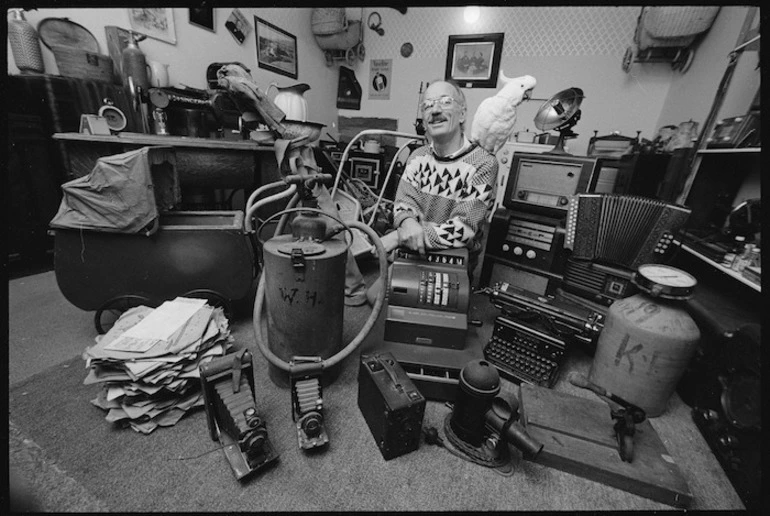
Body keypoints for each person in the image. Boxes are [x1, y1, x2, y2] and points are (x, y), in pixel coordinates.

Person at [367, 79, 499, 303]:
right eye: (428, 105)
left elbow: (462, 230)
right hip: (412, 252)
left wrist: (400, 236)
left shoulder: (484, 164)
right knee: (375, 298)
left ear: (462, 113)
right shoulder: (417, 156)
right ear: (424, 120)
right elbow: (404, 203)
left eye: (445, 102)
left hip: (452, 259)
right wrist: (406, 223)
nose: (435, 110)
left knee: (426, 317)